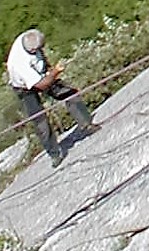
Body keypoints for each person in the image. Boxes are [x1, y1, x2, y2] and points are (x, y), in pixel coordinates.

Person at [6, 29, 100, 167]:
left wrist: (48, 66)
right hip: (25, 88)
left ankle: (86, 124)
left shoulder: (29, 37)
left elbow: (41, 54)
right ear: (31, 49)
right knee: (40, 121)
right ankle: (55, 154)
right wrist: (55, 72)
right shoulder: (20, 64)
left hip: (41, 74)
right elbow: (42, 85)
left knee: (69, 93)